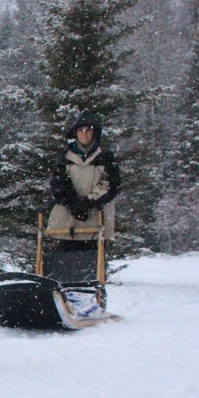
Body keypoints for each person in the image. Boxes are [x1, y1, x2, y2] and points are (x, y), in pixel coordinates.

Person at [47, 110, 121, 280]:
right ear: (76, 133)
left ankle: (95, 300)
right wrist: (73, 204)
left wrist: (87, 202)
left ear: (95, 132)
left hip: (95, 219)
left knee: (93, 270)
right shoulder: (65, 158)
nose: (84, 134)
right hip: (67, 222)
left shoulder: (105, 157)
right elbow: (58, 184)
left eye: (88, 130)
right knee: (65, 268)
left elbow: (109, 186)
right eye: (81, 130)